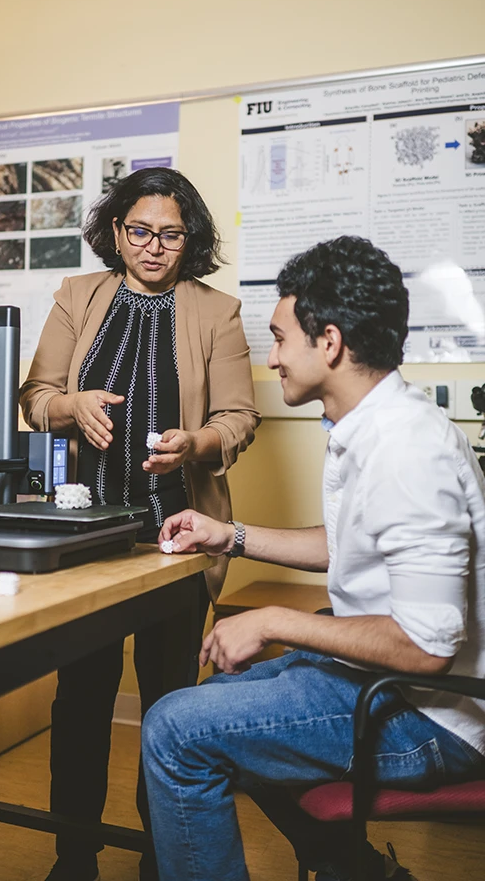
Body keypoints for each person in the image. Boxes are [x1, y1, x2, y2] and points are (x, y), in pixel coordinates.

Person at [142, 236, 485, 881]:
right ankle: (359, 872)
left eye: (279, 339)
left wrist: (274, 620)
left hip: (432, 715)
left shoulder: (408, 451)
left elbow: (427, 647)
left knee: (175, 728)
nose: (272, 357)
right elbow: (347, 545)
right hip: (384, 682)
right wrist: (228, 535)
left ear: (329, 343)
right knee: (214, 704)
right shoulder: (373, 428)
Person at [20, 167, 260, 881]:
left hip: (176, 541)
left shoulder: (217, 311)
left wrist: (199, 442)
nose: (154, 247)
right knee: (81, 702)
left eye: (171, 235)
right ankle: (74, 858)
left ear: (191, 240)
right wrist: (71, 407)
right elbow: (35, 397)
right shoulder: (77, 297)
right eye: (140, 231)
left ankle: (164, 858)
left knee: (168, 712)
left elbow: (240, 417)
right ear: (117, 231)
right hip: (87, 541)